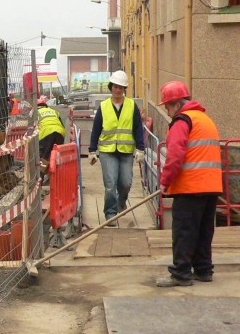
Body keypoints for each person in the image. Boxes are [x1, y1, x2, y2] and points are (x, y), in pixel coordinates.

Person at [155, 81, 222, 287]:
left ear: (176, 103)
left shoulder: (182, 121)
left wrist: (165, 181)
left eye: (167, 106)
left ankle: (181, 273)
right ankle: (203, 270)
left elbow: (175, 156)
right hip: (211, 186)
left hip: (190, 186)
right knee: (203, 230)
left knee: (184, 231)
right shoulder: (205, 119)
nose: (167, 110)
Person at [88, 71, 145, 220]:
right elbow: (96, 129)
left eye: (121, 87)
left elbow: (138, 128)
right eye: (115, 87)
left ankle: (121, 203)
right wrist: (92, 151)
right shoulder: (104, 106)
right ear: (111, 87)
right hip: (108, 151)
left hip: (126, 151)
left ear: (124, 89)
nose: (118, 90)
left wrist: (141, 148)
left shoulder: (132, 106)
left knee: (125, 183)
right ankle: (110, 213)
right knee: (110, 183)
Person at [37, 95, 66, 162]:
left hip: (45, 133)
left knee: (44, 157)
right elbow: (62, 125)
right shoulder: (54, 111)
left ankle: (42, 172)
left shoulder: (36, 113)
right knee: (57, 156)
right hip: (60, 132)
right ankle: (57, 170)